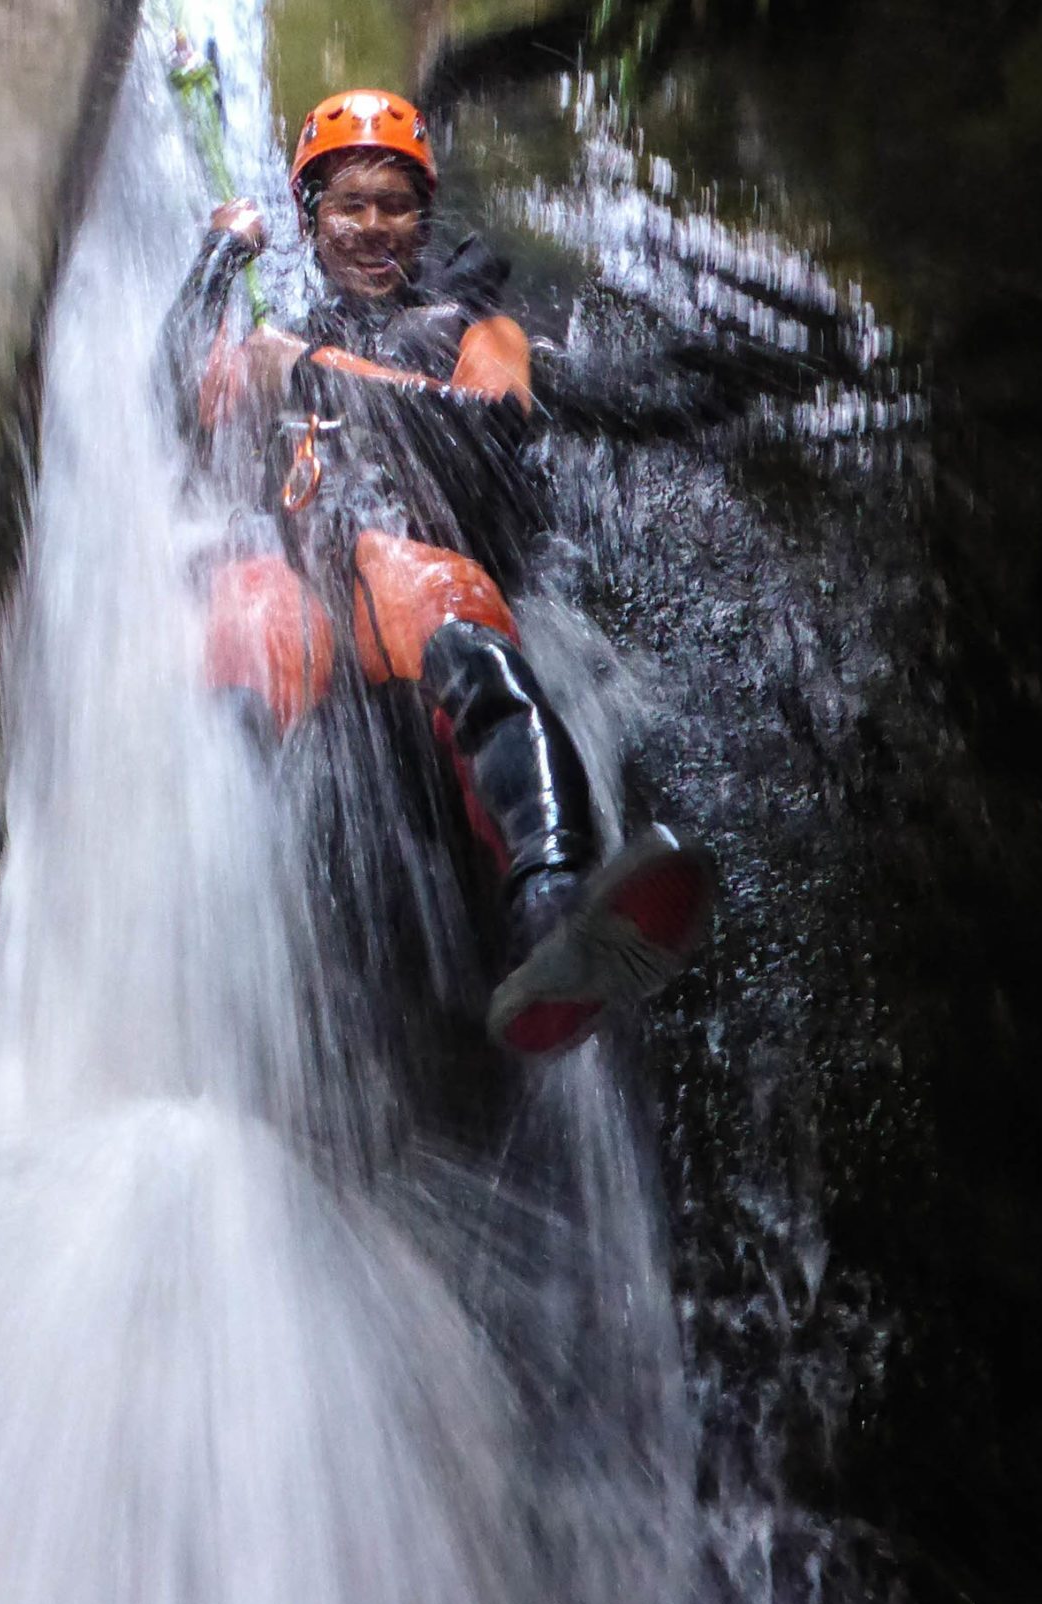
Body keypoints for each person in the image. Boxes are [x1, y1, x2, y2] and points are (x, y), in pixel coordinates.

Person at [158, 87, 712, 1058]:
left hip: (410, 567)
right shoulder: (270, 342)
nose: (373, 227)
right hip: (306, 579)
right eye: (350, 205)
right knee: (248, 612)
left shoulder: (469, 326)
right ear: (311, 221)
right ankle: (199, 937)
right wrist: (218, 257)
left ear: (423, 222)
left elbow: (490, 425)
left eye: (395, 205)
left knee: (426, 591)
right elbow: (172, 402)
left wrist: (313, 372)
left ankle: (556, 909)